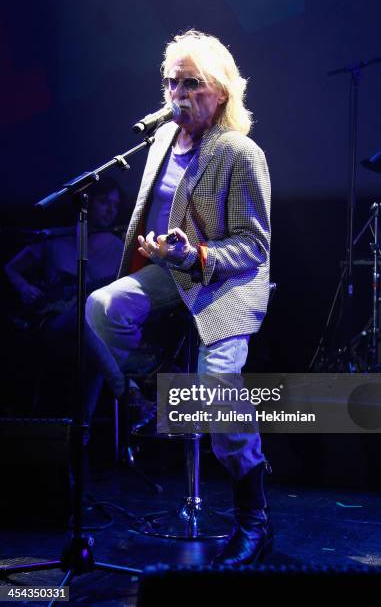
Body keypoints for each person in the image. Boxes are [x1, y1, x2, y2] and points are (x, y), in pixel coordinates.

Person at [85, 30, 272, 564]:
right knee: (102, 307)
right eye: (171, 82)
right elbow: (158, 217)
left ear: (221, 92)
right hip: (172, 272)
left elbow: (253, 248)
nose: (178, 94)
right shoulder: (162, 142)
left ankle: (254, 521)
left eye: (192, 84)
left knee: (217, 394)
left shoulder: (240, 152)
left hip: (225, 281)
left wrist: (198, 255)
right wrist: (159, 248)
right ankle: (147, 394)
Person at [5, 177, 125, 422]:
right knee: (86, 319)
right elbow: (11, 267)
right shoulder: (56, 239)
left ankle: (83, 432)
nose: (111, 210)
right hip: (51, 322)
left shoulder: (119, 248)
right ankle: (124, 388)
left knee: (94, 339)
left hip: (93, 330)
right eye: (104, 202)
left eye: (116, 204)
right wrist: (24, 287)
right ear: (87, 203)